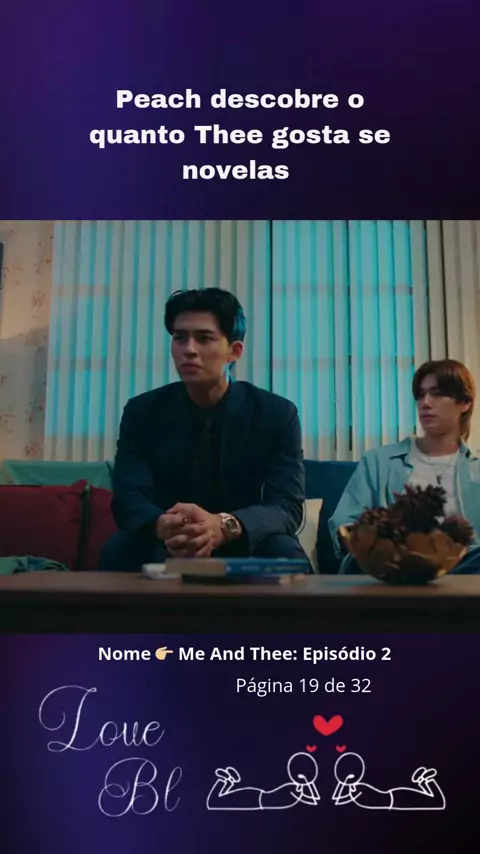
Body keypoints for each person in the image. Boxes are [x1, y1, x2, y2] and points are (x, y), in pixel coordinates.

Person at [100, 287, 309, 571]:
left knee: (285, 551)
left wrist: (223, 525)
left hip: (241, 537)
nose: (189, 349)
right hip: (169, 538)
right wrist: (162, 524)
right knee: (120, 548)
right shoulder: (143, 411)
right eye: (180, 337)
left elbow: (286, 506)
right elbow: (129, 495)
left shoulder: (275, 413)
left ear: (234, 351)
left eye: (204, 338)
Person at [329, 359, 480, 574]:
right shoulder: (378, 461)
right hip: (390, 564)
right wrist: (373, 546)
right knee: (356, 561)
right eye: (420, 395)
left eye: (437, 394)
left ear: (465, 403)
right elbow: (344, 523)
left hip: (462, 567)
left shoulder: (476, 469)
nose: (425, 403)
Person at [206, 752, 321, 810]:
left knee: (217, 802)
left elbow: (314, 799)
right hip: (255, 799)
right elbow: (314, 799)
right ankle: (225, 780)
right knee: (214, 802)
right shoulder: (293, 790)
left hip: (256, 798)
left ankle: (227, 781)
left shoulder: (293, 790)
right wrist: (308, 781)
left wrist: (308, 780)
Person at [332, 752, 445, 810]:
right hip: (395, 798)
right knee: (433, 801)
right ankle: (424, 780)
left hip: (395, 799)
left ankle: (426, 780)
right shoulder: (358, 790)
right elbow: (337, 799)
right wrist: (343, 781)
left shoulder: (359, 790)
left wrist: (344, 781)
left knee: (436, 802)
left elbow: (338, 799)